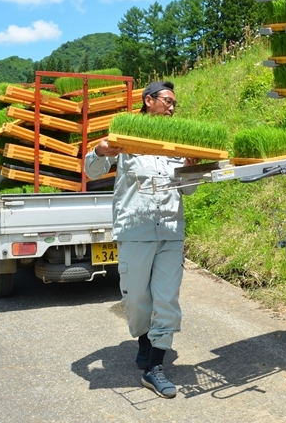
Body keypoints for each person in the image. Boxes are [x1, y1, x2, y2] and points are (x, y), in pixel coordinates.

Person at [84, 80, 198, 399]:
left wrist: (192, 169)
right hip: (135, 230)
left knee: (167, 298)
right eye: (167, 100)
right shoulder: (127, 133)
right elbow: (92, 171)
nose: (172, 107)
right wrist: (100, 151)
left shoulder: (178, 139)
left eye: (174, 103)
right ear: (149, 100)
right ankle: (144, 339)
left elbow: (189, 189)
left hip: (171, 230)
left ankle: (155, 367)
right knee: (136, 298)